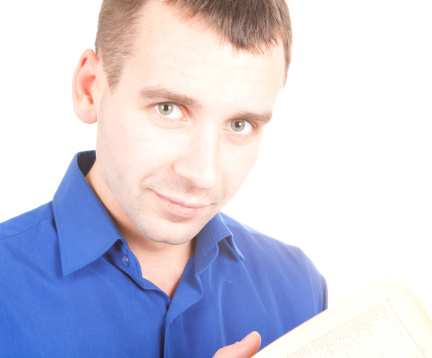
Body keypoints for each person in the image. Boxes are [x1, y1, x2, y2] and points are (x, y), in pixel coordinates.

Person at [0, 0, 327, 357]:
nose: (203, 175)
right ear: (90, 88)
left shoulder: (300, 291)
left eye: (239, 124)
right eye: (168, 109)